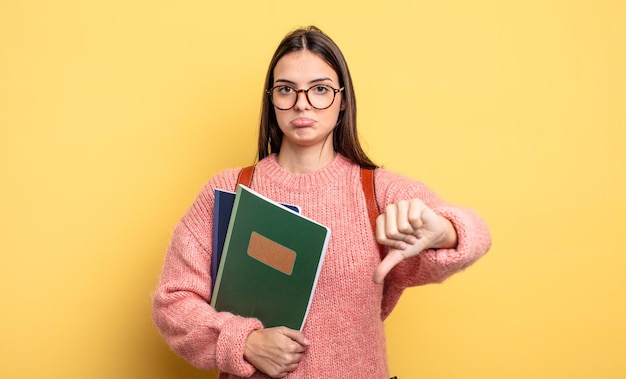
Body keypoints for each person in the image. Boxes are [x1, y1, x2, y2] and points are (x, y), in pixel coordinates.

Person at [152, 26, 492, 378]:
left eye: (320, 89)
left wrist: (445, 231)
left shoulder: (376, 191)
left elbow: (477, 234)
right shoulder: (228, 190)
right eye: (286, 90)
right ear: (271, 99)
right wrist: (245, 342)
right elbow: (173, 302)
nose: (302, 103)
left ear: (342, 100)